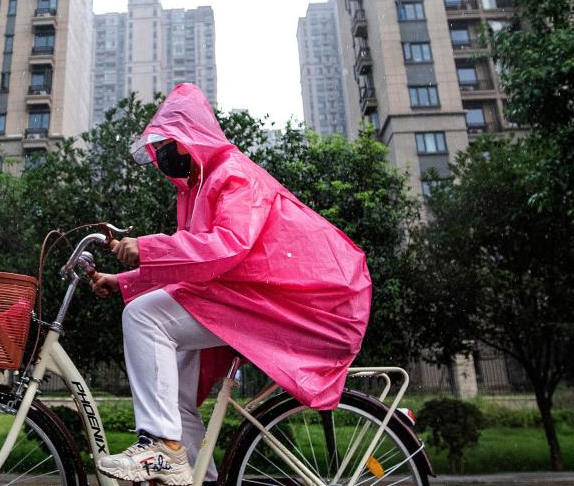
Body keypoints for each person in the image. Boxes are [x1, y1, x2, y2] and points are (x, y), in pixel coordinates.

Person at [89, 84, 373, 485]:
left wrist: (148, 249)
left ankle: (162, 447)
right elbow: (192, 262)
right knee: (174, 398)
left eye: (171, 143)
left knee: (143, 317)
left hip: (281, 302)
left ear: (193, 138)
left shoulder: (233, 174)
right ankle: (193, 472)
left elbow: (226, 247)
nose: (164, 156)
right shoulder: (198, 189)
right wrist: (124, 280)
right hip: (239, 301)